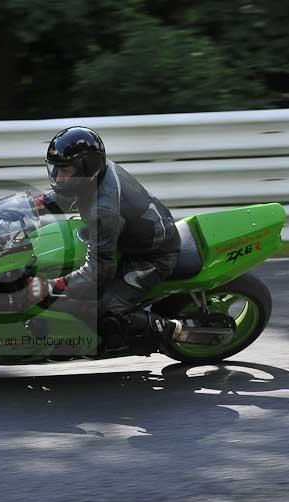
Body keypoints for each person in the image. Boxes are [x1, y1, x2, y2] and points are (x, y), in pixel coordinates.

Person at [29, 126, 186, 351]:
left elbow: (98, 270)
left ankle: (168, 328)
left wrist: (52, 285)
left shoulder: (103, 211)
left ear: (88, 169)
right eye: (57, 169)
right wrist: (28, 208)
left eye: (66, 171)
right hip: (134, 235)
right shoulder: (98, 174)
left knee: (98, 308)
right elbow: (68, 194)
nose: (58, 177)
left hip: (153, 256)